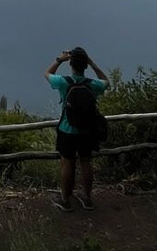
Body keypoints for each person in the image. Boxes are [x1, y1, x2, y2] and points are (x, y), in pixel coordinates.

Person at [44, 46, 109, 211]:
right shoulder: (93, 85)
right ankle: (87, 199)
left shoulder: (63, 82)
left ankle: (65, 200)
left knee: (67, 163)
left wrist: (60, 59)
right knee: (86, 162)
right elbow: (106, 81)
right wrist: (93, 63)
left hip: (68, 130)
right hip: (87, 131)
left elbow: (47, 74)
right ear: (85, 65)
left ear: (71, 64)